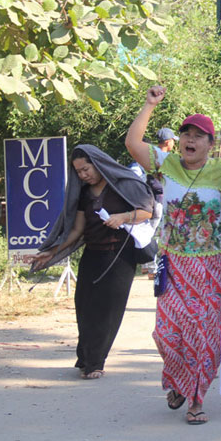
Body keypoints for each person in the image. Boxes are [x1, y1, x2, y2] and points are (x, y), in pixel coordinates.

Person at [125, 85, 221, 425]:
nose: (191, 139)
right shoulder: (166, 163)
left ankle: (196, 401)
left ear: (211, 145)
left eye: (200, 136)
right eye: (186, 133)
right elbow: (132, 144)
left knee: (204, 338)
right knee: (166, 334)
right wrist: (149, 104)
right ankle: (180, 380)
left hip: (211, 265)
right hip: (173, 265)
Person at [32, 145, 154, 380]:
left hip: (119, 256)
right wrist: (52, 252)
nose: (83, 175)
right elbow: (77, 230)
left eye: (86, 169)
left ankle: (96, 363)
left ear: (98, 163)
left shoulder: (124, 184)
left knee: (107, 311)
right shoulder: (84, 194)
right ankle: (85, 358)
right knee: (84, 307)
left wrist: (123, 217)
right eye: (78, 172)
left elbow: (146, 212)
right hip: (92, 254)